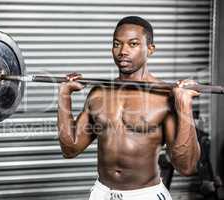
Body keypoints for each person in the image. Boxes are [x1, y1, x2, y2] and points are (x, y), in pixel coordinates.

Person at [57, 16, 201, 200]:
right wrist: (64, 95)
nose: (123, 51)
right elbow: (70, 149)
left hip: (145, 194)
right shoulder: (98, 94)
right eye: (117, 44)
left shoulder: (165, 96)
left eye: (133, 44)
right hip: (102, 193)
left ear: (150, 49)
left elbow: (187, 167)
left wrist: (184, 105)